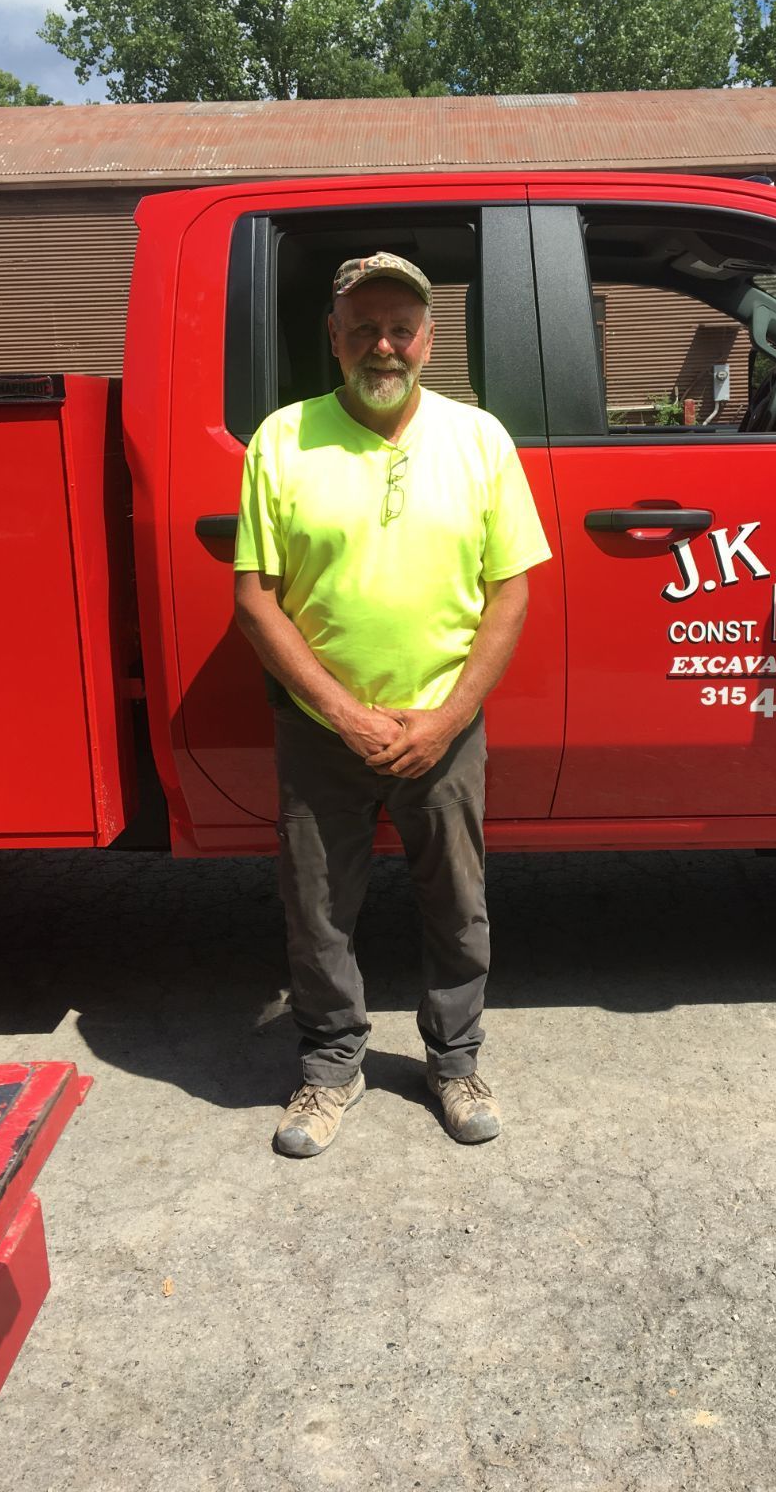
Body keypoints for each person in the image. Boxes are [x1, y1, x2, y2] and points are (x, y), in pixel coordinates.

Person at [233, 251, 552, 1158]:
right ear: (333, 339)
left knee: (457, 902)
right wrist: (345, 713)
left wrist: (445, 720)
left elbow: (511, 593)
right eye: (363, 326)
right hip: (320, 730)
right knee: (319, 906)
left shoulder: (480, 439)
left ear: (429, 338)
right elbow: (255, 596)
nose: (384, 344)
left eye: (401, 327)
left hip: (444, 728)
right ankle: (331, 1067)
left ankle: (455, 1061)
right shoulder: (282, 440)